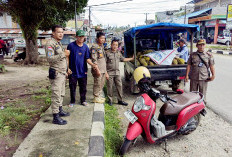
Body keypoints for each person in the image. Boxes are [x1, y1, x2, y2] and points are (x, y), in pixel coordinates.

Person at [45, 25, 70, 125]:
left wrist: (67, 69)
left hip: (62, 73)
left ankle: (60, 110)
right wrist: (63, 54)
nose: (61, 34)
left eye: (62, 32)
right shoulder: (50, 44)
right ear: (53, 33)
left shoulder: (58, 43)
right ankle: (55, 116)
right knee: (56, 94)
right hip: (56, 73)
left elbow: (62, 59)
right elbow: (50, 58)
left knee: (61, 93)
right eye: (59, 32)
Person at [67, 30, 97, 107]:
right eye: (79, 36)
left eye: (82, 36)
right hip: (72, 71)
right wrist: (67, 68)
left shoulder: (85, 47)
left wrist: (92, 64)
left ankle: (83, 100)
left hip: (83, 71)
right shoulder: (71, 46)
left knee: (83, 87)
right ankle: (72, 101)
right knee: (72, 87)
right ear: (76, 37)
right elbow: (67, 57)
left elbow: (87, 58)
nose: (81, 38)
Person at [185, 39, 215, 103]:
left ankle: (202, 108)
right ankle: (192, 108)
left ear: (205, 45)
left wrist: (213, 75)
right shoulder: (192, 55)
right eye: (200, 45)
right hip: (194, 77)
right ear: (197, 46)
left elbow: (211, 66)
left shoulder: (209, 55)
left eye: (203, 45)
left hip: (204, 78)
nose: (201, 46)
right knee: (192, 95)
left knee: (203, 94)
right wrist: (187, 75)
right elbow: (189, 65)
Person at [106, 39, 134, 106]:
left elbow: (123, 59)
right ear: (111, 45)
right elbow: (104, 63)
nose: (115, 46)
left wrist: (131, 59)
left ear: (118, 46)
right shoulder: (107, 53)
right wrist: (105, 73)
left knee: (119, 86)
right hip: (109, 73)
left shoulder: (118, 53)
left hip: (117, 73)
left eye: (116, 45)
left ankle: (120, 100)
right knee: (110, 87)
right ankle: (110, 100)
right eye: (114, 45)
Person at [90, 32, 109, 103]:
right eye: (101, 38)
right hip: (98, 69)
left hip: (103, 69)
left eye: (104, 38)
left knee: (101, 83)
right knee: (97, 83)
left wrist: (105, 71)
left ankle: (99, 96)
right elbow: (94, 60)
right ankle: (95, 97)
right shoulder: (94, 47)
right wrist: (97, 70)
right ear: (97, 38)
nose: (103, 40)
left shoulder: (102, 46)